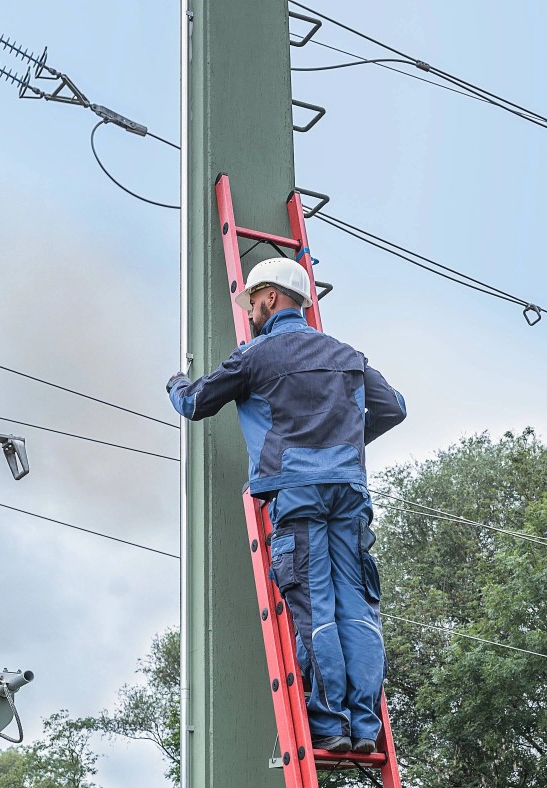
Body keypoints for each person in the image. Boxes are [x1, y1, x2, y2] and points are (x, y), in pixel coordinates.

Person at [166, 257, 407, 755]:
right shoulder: (347, 354)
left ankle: (330, 723)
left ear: (271, 297)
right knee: (356, 607)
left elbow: (195, 404)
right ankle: (365, 727)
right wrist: (343, 445)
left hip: (298, 493)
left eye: (252, 300)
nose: (250, 310)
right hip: (349, 491)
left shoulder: (255, 354)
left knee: (314, 604)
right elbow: (394, 408)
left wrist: (175, 382)